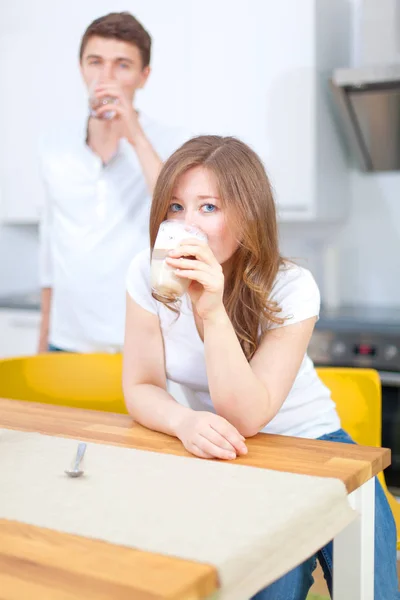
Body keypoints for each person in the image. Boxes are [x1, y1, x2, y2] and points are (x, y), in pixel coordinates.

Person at [123, 135, 399, 599]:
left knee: (370, 578)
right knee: (263, 583)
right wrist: (183, 420)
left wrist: (211, 309)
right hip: (220, 450)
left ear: (247, 214)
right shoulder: (146, 274)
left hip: (312, 445)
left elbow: (247, 415)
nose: (186, 224)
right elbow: (141, 384)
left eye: (208, 207)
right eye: (175, 207)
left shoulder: (292, 287)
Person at [38, 12, 187, 353]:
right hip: (66, 340)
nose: (106, 77)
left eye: (122, 65)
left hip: (140, 341)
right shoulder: (53, 144)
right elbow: (50, 246)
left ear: (143, 76)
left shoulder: (171, 144)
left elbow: (178, 213)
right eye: (95, 62)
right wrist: (43, 336)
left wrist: (134, 133)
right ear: (81, 69)